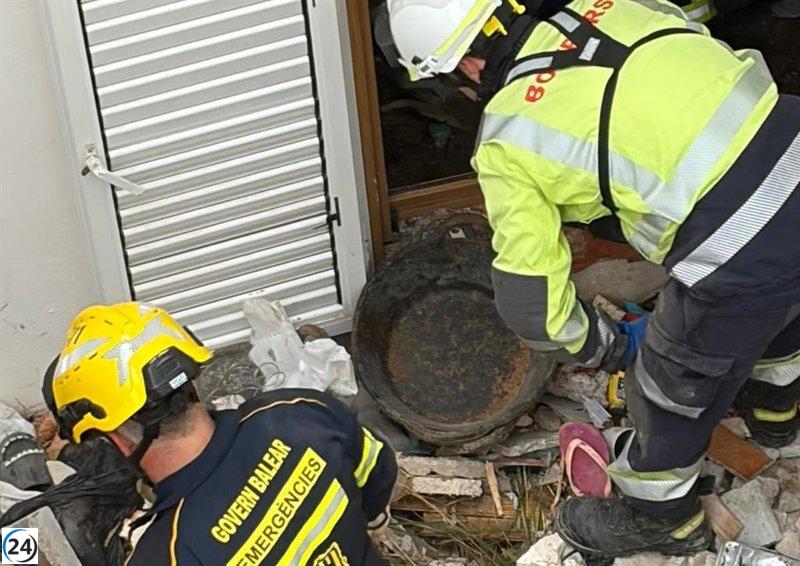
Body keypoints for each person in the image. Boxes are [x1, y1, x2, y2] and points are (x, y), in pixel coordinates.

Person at [384, 0, 800, 559]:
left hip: (740, 243)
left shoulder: (508, 134)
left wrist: (604, 345)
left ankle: (658, 520)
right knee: (784, 302)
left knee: (666, 387)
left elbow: (532, 306)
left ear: (465, 68)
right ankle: (776, 417)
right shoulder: (608, 7)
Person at [42, 302, 397, 565]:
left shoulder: (168, 554)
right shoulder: (301, 411)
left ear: (117, 439)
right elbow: (378, 472)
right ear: (192, 378)